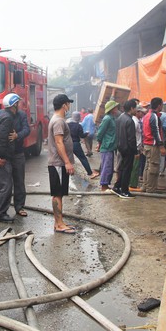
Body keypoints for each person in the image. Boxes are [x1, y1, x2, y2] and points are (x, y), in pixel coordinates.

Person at [47, 94, 77, 233]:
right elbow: (59, 142)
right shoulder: (59, 121)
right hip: (58, 163)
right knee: (57, 194)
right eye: (68, 104)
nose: (69, 106)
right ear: (64, 105)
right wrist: (67, 162)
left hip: (59, 163)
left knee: (59, 193)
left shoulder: (58, 120)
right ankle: (59, 224)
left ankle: (59, 222)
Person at [0, 93, 20, 223]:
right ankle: (1, 213)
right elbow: (2, 138)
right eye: (17, 103)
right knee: (6, 185)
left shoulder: (2, 115)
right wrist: (2, 157)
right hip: (1, 155)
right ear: (14, 105)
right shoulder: (8, 118)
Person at [112, 99, 138, 198]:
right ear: (131, 108)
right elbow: (131, 138)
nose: (136, 109)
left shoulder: (120, 118)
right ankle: (124, 191)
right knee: (127, 170)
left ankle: (117, 186)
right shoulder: (129, 120)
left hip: (121, 147)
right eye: (135, 108)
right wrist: (135, 151)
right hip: (128, 149)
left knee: (123, 168)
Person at [142, 97, 166, 193]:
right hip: (153, 145)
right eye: (162, 105)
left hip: (147, 144)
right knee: (153, 167)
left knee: (147, 166)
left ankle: (145, 186)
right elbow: (156, 132)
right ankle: (150, 188)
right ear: (159, 105)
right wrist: (161, 146)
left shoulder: (147, 115)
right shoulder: (154, 116)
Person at [96, 100, 119, 191]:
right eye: (115, 107)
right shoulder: (107, 119)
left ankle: (106, 184)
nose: (117, 108)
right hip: (107, 146)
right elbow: (100, 132)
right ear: (112, 109)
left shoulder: (112, 118)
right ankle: (104, 185)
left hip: (111, 146)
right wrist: (99, 142)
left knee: (109, 166)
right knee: (107, 166)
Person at [68, 111, 99, 179]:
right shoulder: (79, 126)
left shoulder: (68, 125)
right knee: (83, 159)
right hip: (76, 144)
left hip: (68, 144)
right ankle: (90, 173)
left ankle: (68, 172)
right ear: (78, 118)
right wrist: (86, 133)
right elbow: (81, 136)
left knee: (68, 159)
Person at [128, 100, 145, 192]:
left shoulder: (137, 121)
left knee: (135, 166)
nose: (143, 113)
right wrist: (136, 149)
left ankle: (133, 183)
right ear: (137, 112)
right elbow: (133, 136)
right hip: (135, 147)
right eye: (141, 112)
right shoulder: (135, 122)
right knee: (135, 167)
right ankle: (133, 185)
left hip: (137, 146)